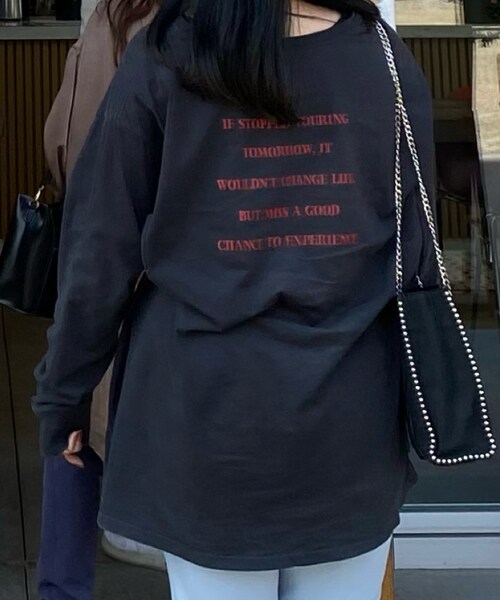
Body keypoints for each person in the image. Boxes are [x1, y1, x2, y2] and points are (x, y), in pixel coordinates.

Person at [33, 0, 438, 598]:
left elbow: (98, 255)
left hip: (205, 425)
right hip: (349, 427)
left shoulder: (167, 54)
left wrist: (63, 395)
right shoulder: (382, 57)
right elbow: (417, 250)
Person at [38, 2, 161, 599]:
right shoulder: (211, 27)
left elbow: (60, 141)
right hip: (169, 275)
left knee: (72, 418)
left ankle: (62, 587)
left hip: (98, 257)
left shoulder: (109, 19)